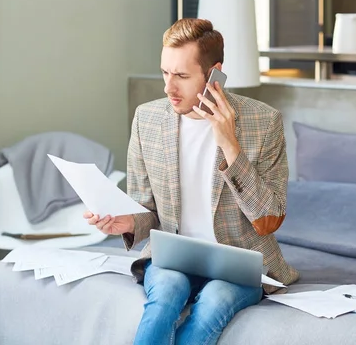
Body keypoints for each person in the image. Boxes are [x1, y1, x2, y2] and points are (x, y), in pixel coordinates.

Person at [84, 18, 299, 345]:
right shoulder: (147, 118)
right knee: (165, 296)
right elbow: (147, 210)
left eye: (182, 76)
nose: (169, 87)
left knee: (214, 302)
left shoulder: (263, 122)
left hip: (238, 264)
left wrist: (229, 143)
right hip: (172, 259)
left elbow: (268, 220)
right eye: (165, 73)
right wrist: (125, 221)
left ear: (215, 74)